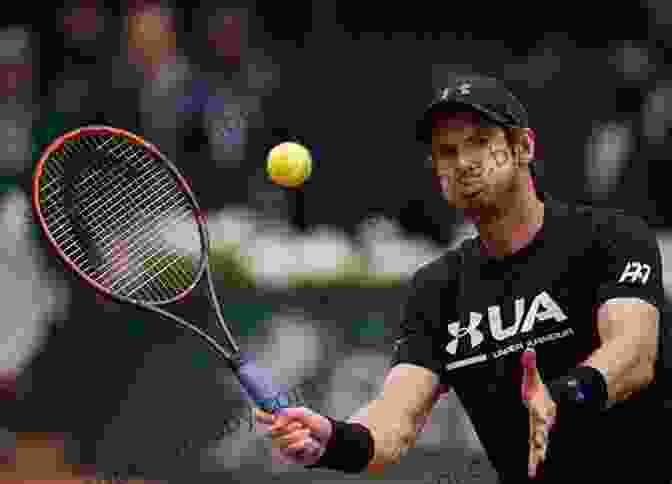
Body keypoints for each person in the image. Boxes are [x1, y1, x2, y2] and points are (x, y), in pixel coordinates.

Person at [256, 74, 671, 483]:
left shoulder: (611, 236)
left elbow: (634, 353)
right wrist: (332, 440)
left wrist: (564, 396)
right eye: (447, 152)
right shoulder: (437, 289)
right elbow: (393, 421)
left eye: (480, 143)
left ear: (524, 146)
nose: (464, 163)